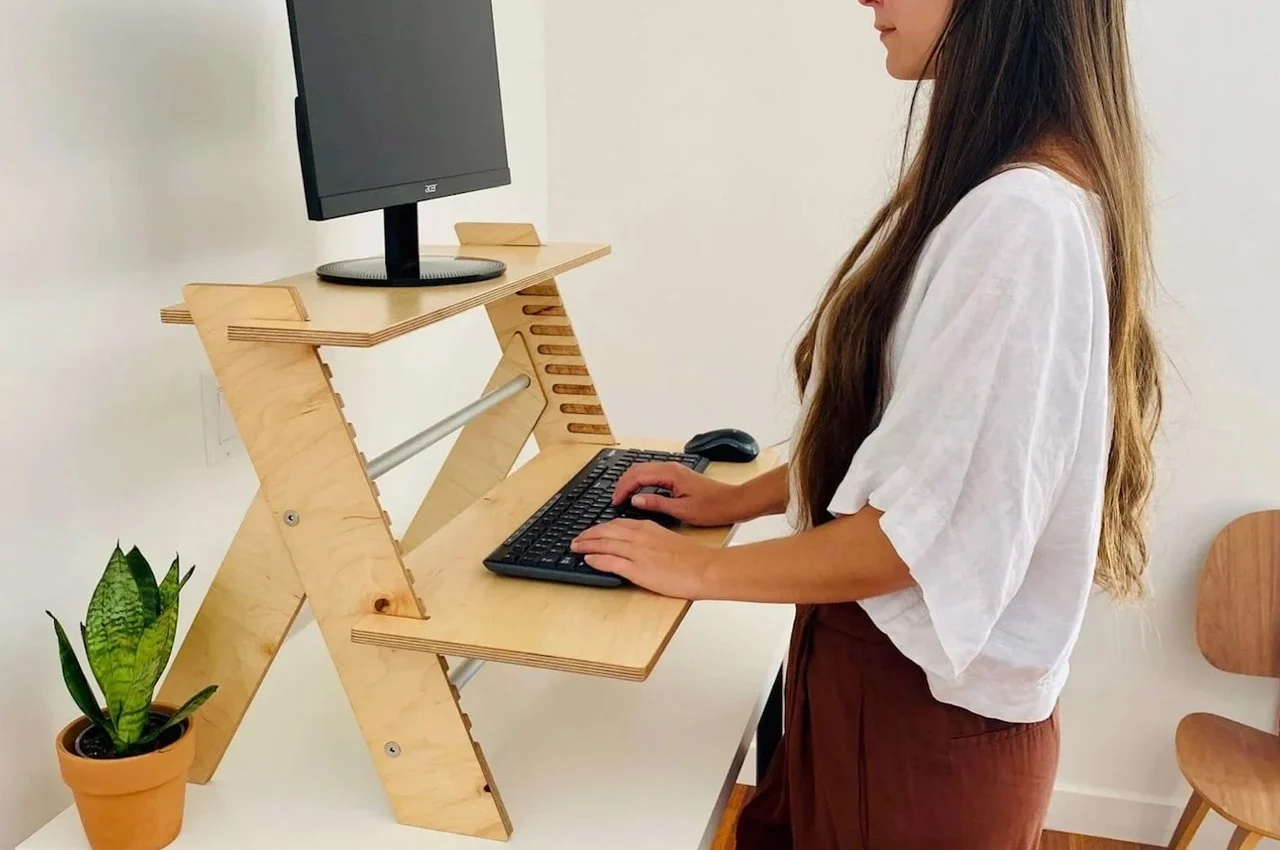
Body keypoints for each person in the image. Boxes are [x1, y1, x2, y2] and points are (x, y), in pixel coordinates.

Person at [570, 0, 1163, 847]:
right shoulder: (1004, 194)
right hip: (874, 684)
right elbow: (920, 442)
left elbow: (913, 539)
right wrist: (738, 502)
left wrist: (695, 574)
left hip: (914, 722)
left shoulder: (1021, 220)